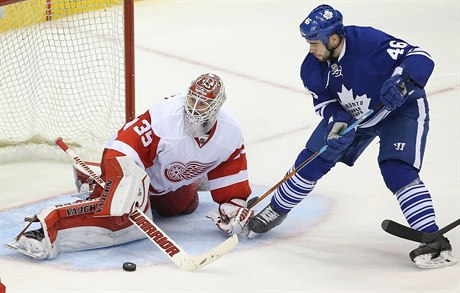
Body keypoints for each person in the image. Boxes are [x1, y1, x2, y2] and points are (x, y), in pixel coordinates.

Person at [248, 4, 456, 268]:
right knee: (312, 159)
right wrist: (338, 121)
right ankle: (276, 209)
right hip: (352, 117)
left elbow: (420, 56)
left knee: (396, 169)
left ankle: (433, 238)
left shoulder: (368, 41)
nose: (311, 50)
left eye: (314, 43)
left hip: (401, 110)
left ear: (334, 37)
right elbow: (324, 103)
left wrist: (401, 80)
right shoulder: (312, 68)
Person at [7, 73, 253, 259]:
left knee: (185, 206)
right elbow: (124, 146)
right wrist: (124, 182)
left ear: (216, 106)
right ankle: (48, 225)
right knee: (121, 222)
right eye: (191, 99)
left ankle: (89, 174)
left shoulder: (230, 133)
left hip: (168, 186)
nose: (193, 107)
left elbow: (230, 174)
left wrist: (234, 207)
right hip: (138, 175)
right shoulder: (165, 116)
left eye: (202, 104)